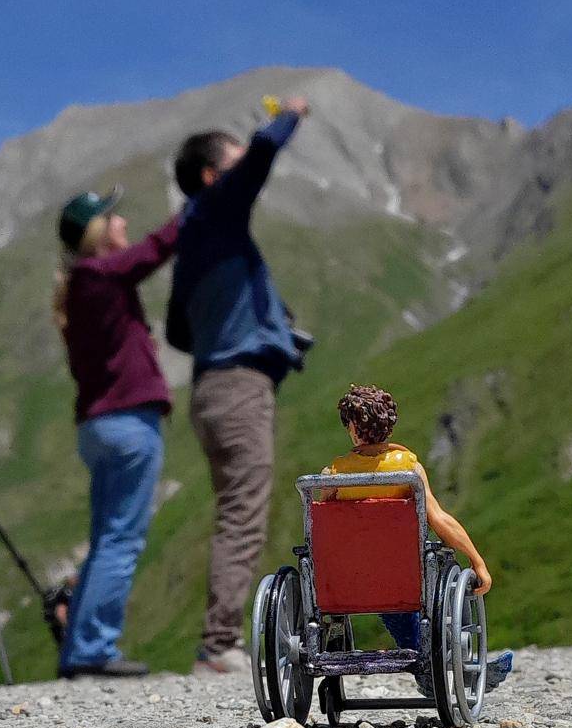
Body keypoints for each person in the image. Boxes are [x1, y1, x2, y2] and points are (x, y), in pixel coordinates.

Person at [167, 97, 310, 673]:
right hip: (238, 386)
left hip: (209, 387)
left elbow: (176, 329)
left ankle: (219, 640)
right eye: (231, 159)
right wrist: (290, 113)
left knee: (235, 506)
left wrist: (239, 326)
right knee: (243, 512)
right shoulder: (217, 210)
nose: (241, 163)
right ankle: (219, 644)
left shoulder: (193, 235)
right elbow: (263, 152)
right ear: (211, 176)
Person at [53, 186, 182, 678]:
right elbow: (155, 249)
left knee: (106, 536)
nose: (123, 221)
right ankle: (92, 648)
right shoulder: (99, 274)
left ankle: (79, 648)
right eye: (113, 216)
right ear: (98, 232)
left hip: (99, 424)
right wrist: (198, 208)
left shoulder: (80, 286)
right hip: (129, 422)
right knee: (122, 539)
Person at [324, 383, 512, 691]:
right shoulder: (408, 469)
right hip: (401, 578)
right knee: (416, 579)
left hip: (349, 580)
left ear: (354, 429)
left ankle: (425, 666)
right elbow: (438, 519)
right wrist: (477, 561)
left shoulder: (335, 473)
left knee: (379, 583)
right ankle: (438, 662)